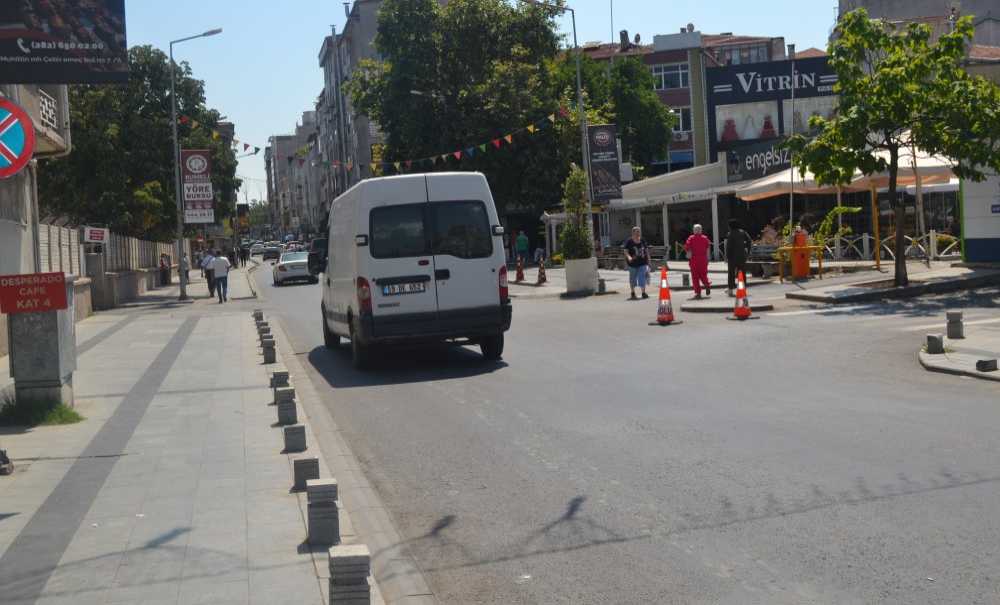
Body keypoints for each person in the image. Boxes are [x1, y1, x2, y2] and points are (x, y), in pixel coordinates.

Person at [726, 219, 753, 297]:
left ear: (730, 226)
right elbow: (749, 241)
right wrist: (747, 251)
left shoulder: (730, 234)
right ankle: (742, 289)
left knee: (731, 273)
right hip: (742, 256)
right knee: (742, 273)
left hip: (732, 257)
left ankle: (730, 290)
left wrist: (727, 256)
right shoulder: (743, 232)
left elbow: (729, 247)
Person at [684, 224, 712, 299]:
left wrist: (688, 256)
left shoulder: (691, 238)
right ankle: (707, 284)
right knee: (703, 274)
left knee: (695, 277)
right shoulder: (705, 238)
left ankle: (698, 293)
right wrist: (708, 259)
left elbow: (688, 248)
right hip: (703, 259)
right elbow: (708, 249)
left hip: (694, 260)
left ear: (694, 230)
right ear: (701, 230)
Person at [623, 226, 650, 300]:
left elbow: (646, 251)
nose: (638, 233)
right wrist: (629, 257)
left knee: (642, 278)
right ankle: (632, 292)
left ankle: (643, 293)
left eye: (639, 232)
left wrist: (649, 261)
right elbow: (625, 251)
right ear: (633, 233)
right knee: (633, 279)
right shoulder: (629, 241)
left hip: (642, 262)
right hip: (632, 264)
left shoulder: (642, 240)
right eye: (636, 232)